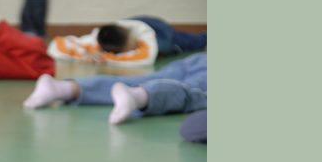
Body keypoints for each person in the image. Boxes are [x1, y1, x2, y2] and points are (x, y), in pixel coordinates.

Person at [23, 52, 207, 124]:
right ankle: (139, 96)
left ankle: (64, 88)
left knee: (149, 78)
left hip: (201, 58)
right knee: (194, 92)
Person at [47, 15, 207, 67]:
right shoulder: (97, 38)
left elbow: (145, 59)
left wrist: (106, 58)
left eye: (129, 48)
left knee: (194, 42)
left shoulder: (144, 35)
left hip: (161, 31)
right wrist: (84, 53)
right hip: (130, 24)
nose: (131, 50)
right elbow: (57, 45)